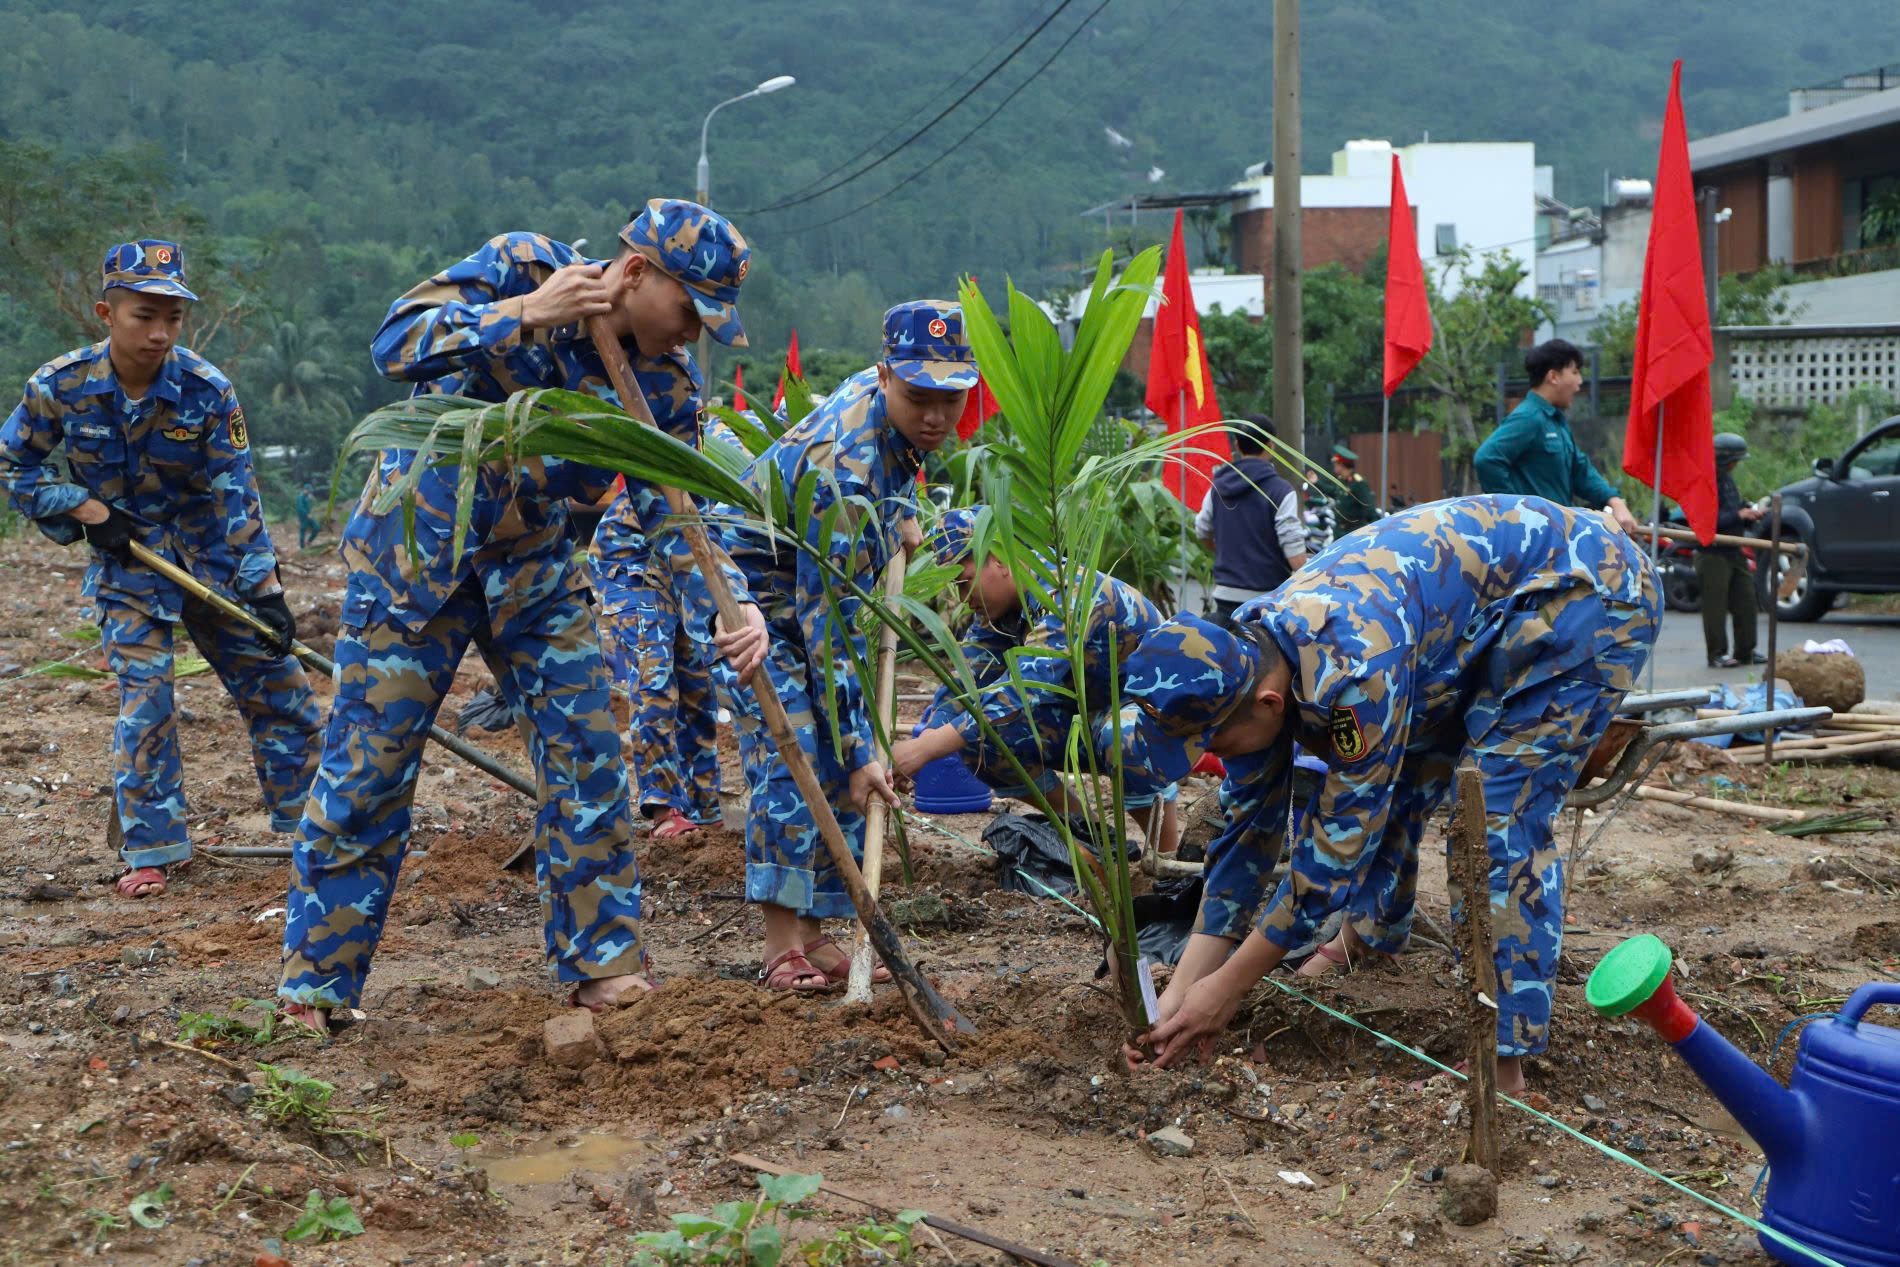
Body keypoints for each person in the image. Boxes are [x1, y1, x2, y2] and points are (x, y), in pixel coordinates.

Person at [277, 201, 768, 1034]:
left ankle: (605, 965)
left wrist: (733, 602)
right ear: (637, 273)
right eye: (689, 311)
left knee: (590, 754)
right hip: (414, 561)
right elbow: (395, 342)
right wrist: (522, 315)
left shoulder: (666, 386)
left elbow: (674, 514)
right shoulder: (526, 267)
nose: (693, 335)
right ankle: (316, 985)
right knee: (370, 774)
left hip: (532, 571)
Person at [1117, 495, 1661, 1096]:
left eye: (1212, 742)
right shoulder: (1246, 655)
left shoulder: (1357, 673)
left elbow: (1334, 851)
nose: (1211, 757)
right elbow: (1247, 835)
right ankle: (1366, 940)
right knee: (1396, 784)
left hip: (1588, 595)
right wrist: (1182, 992)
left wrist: (1227, 990)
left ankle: (1502, 1065)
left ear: (1270, 704)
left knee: (1497, 818)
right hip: (1473, 624)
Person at [0, 240, 320, 899]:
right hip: (130, 568)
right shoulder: (58, 388)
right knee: (148, 702)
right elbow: (14, 466)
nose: (160, 333)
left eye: (173, 318)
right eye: (145, 315)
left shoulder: (207, 390)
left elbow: (240, 494)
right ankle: (150, 849)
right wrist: (84, 507)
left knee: (279, 685)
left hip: (213, 562)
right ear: (106, 313)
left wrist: (268, 593)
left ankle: (315, 827)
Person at [719, 300, 972, 992]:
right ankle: (780, 945)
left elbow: (893, 471)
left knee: (832, 750)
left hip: (802, 587)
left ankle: (817, 933)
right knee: (791, 747)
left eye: (950, 401)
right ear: (887, 375)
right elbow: (824, 626)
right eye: (919, 397)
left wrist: (901, 515)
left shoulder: (886, 423)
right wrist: (864, 752)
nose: (934, 418)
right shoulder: (846, 468)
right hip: (744, 587)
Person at [889, 506, 1180, 855]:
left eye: (963, 583)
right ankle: (1091, 837)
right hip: (1086, 720)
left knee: (1121, 734)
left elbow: (1021, 693)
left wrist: (921, 750)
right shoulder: (997, 615)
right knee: (980, 742)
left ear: (1000, 559)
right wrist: (915, 753)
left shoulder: (1065, 593)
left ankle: (1166, 858)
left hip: (1151, 724)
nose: (964, 601)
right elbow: (963, 688)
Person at [590, 415, 738, 839]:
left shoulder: (772, 473)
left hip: (684, 569)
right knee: (657, 677)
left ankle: (704, 806)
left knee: (698, 685)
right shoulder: (726, 455)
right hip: (631, 563)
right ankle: (665, 808)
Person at [1474, 339, 1642, 537]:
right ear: (1553, 376)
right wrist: (1518, 512)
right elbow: (1486, 459)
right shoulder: (1529, 417)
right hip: (1535, 539)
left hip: (1558, 536)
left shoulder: (1555, 421)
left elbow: (1581, 472)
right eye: (1574, 372)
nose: (1579, 383)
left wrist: (1614, 501)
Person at [1194, 415, 1306, 619]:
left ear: (1237, 445)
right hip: (1267, 600)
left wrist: (1223, 553)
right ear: (1270, 445)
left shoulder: (1217, 485)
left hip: (1225, 597)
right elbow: (1294, 553)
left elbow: (1202, 528)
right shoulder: (1281, 490)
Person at [1699, 432, 1765, 668]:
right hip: (1713, 552)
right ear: (1724, 460)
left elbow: (1733, 509)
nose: (1736, 465)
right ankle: (1716, 654)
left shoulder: (1726, 480)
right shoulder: (1704, 482)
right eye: (1735, 460)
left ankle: (1745, 650)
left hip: (1733, 548)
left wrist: (1748, 513)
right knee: (1715, 606)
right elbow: (1706, 519)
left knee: (1747, 598)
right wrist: (1738, 515)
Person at [1326, 444, 1381, 537]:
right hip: (1340, 532)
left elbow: (1369, 507)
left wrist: (1376, 532)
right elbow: (1333, 492)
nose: (1334, 466)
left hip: (1354, 532)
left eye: (1336, 464)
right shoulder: (1342, 480)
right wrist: (1316, 482)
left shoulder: (1358, 483)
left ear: (1341, 465)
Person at [295, 480, 321, 550]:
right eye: (308, 491)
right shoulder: (300, 497)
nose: (309, 492)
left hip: (309, 516)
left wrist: (311, 500)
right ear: (305, 490)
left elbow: (312, 505)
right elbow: (300, 508)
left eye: (310, 491)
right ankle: (302, 547)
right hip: (303, 517)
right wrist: (306, 514)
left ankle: (309, 541)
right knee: (303, 531)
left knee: (317, 528)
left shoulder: (307, 497)